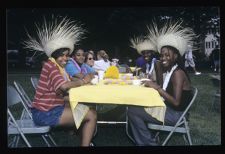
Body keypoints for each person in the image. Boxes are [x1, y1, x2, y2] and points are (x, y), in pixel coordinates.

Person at [23, 16, 97, 147]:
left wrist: (82, 80)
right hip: (45, 113)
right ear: (54, 55)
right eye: (62, 55)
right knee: (91, 114)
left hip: (50, 108)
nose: (65, 58)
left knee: (84, 107)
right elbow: (63, 87)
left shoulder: (57, 67)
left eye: (67, 55)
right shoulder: (50, 66)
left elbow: (63, 86)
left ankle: (82, 137)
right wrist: (83, 81)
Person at [128, 21, 195, 146]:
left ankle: (148, 143)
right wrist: (156, 78)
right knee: (135, 106)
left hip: (176, 115)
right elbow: (162, 85)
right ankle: (149, 140)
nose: (163, 58)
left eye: (167, 55)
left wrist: (157, 88)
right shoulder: (170, 70)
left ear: (175, 56)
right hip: (170, 109)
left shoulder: (177, 74)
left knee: (133, 111)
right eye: (162, 55)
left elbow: (176, 102)